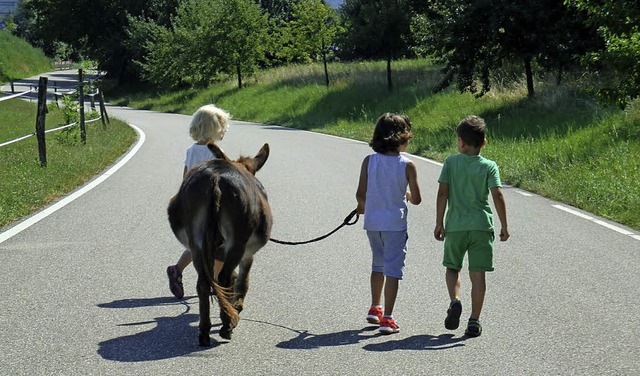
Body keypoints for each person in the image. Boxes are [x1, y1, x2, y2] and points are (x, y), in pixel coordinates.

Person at [433, 115, 509, 337]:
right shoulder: (489, 166)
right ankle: (474, 321)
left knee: (452, 268)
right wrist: (504, 225)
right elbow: (498, 194)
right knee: (478, 276)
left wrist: (439, 222)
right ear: (483, 142)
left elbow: (443, 193)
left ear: (461, 142)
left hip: (456, 226)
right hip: (481, 227)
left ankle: (455, 300)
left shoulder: (450, 162)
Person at [356, 113, 422, 334]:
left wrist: (362, 206)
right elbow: (418, 199)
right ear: (401, 138)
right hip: (395, 224)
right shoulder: (407, 165)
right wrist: (408, 194)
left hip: (373, 223)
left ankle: (375, 307)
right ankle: (388, 318)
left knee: (378, 264)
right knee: (393, 269)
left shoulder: (369, 161)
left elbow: (360, 194)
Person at [166, 104, 231, 299]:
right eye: (223, 127)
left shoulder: (191, 150)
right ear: (215, 129)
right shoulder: (215, 153)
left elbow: (186, 177)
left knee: (200, 245)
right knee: (222, 245)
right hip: (212, 207)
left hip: (194, 207)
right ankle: (217, 281)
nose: (225, 131)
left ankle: (177, 269)